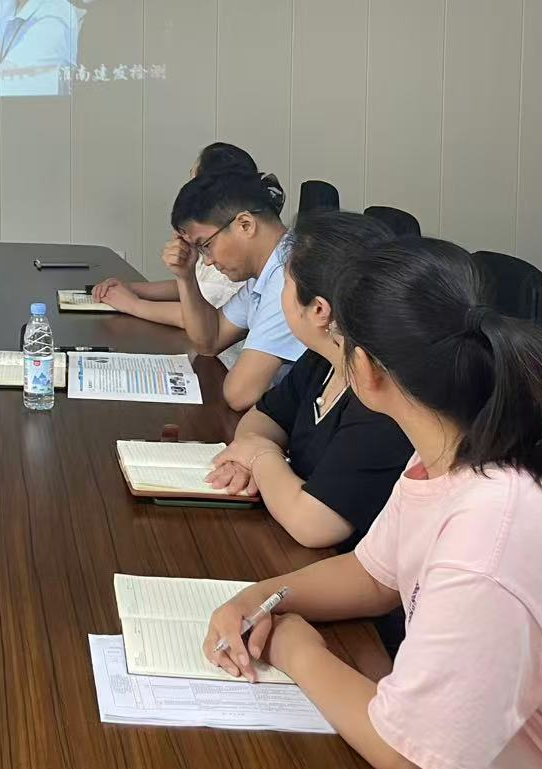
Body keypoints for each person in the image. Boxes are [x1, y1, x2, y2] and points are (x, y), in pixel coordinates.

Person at [203, 238, 542, 769]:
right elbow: (374, 576)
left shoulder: (489, 536)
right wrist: (261, 596)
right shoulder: (447, 454)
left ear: (363, 370)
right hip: (487, 767)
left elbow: (408, 759)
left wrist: (295, 647)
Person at [202, 211, 411, 550]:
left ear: (318, 310)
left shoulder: (381, 398)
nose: (280, 295)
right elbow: (261, 417)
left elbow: (315, 525)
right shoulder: (322, 358)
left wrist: (260, 457)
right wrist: (254, 449)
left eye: (285, 284)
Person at [161, 169, 305, 410]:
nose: (207, 261)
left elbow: (240, 394)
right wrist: (186, 277)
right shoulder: (266, 270)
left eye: (206, 245)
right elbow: (210, 340)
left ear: (245, 225)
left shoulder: (289, 274)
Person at [91, 141, 266, 328]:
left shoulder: (237, 259)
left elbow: (203, 320)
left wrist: (133, 304)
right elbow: (197, 289)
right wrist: (131, 288)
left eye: (194, 182)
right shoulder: (220, 242)